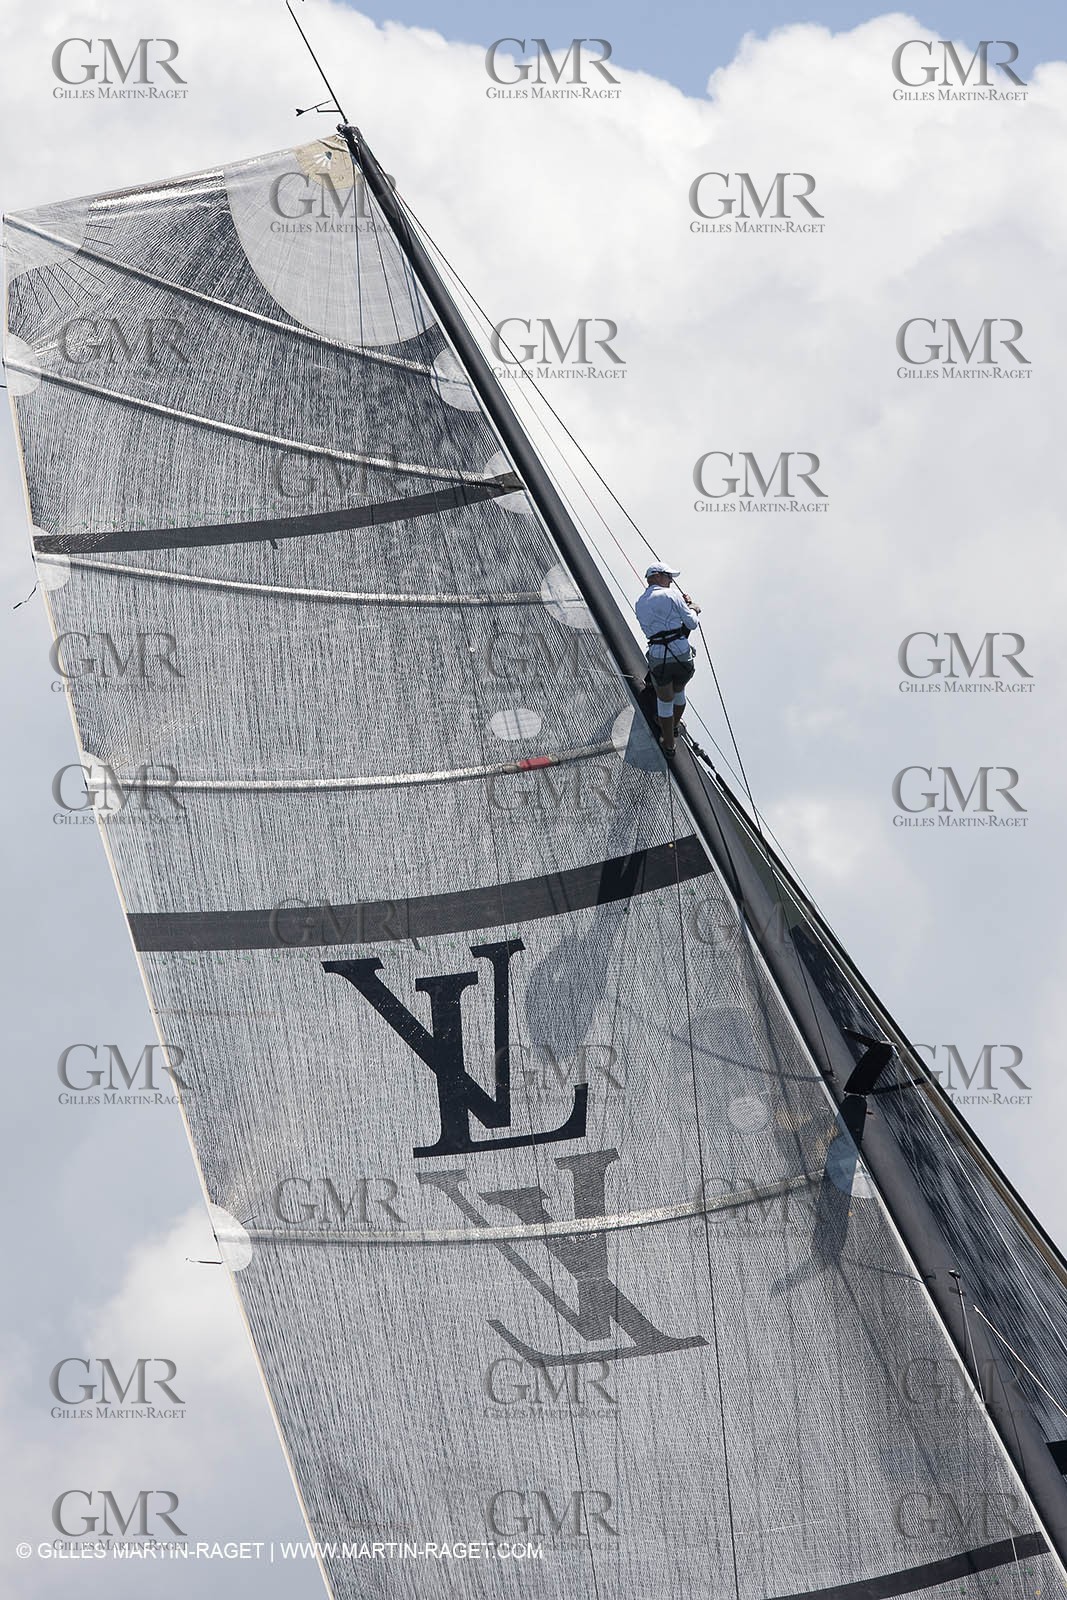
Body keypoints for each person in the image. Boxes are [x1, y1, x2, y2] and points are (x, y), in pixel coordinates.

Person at [635, 561, 701, 757]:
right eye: (668, 577)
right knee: (679, 693)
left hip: (658, 657)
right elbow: (691, 623)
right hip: (681, 656)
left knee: (665, 701)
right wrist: (693, 608)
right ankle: (672, 726)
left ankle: (669, 744)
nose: (671, 581)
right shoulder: (672, 595)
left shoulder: (640, 603)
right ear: (656, 576)